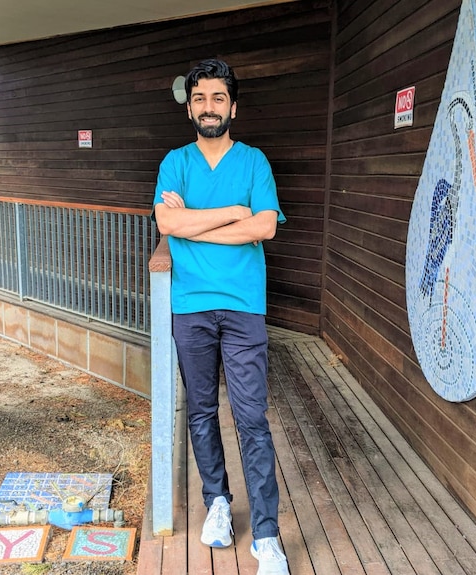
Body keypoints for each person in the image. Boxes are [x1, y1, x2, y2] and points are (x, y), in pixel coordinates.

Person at [152, 58, 288, 575]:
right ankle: (217, 503)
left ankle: (268, 534)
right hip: (189, 305)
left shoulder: (254, 162)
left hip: (243, 305)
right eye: (200, 98)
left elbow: (267, 229)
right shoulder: (175, 162)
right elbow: (168, 221)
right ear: (190, 107)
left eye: (218, 98)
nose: (209, 107)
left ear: (233, 106)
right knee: (202, 411)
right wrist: (236, 213)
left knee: (252, 417)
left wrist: (196, 225)